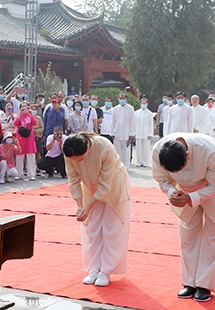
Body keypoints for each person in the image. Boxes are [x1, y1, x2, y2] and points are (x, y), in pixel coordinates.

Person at [152, 133, 215, 302]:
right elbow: (162, 179)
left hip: (213, 187)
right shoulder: (158, 151)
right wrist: (172, 193)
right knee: (188, 234)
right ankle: (189, 283)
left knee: (214, 236)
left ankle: (204, 285)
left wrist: (191, 198)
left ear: (188, 157)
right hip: (183, 190)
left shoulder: (209, 150)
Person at [63, 133, 131, 288]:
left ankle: (106, 270)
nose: (78, 163)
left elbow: (105, 185)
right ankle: (93, 268)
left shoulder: (104, 146)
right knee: (91, 228)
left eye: (80, 160)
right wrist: (80, 205)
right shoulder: (68, 149)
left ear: (88, 147)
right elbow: (73, 180)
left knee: (111, 228)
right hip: (89, 186)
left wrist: (88, 206)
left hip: (114, 184)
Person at [13, 102, 37, 180]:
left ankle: (31, 174)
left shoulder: (30, 116)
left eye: (26, 107)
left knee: (30, 155)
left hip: (29, 136)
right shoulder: (17, 116)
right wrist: (20, 115)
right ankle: (19, 173)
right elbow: (15, 123)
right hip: (20, 137)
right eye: (23, 107)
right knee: (19, 155)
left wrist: (31, 114)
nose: (25, 109)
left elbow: (34, 123)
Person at [111, 94, 135, 169]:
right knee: (117, 151)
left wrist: (132, 133)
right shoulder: (115, 109)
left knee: (126, 152)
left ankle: (125, 166)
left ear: (126, 99)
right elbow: (113, 122)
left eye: (123, 98)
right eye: (120, 98)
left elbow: (132, 122)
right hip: (117, 133)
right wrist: (112, 132)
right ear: (118, 99)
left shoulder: (130, 108)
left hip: (126, 133)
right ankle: (118, 166)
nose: (122, 100)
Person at [134, 98, 155, 167]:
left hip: (146, 133)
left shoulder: (149, 113)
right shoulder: (136, 113)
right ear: (140, 104)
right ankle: (139, 162)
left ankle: (145, 162)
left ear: (147, 104)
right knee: (138, 148)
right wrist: (133, 132)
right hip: (138, 132)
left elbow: (151, 124)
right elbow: (134, 124)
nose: (143, 105)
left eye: (145, 103)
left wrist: (150, 133)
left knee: (146, 149)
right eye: (142, 103)